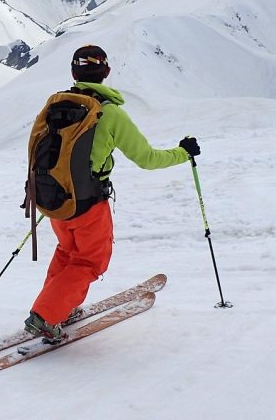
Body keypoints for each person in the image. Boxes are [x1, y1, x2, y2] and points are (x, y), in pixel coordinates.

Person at [24, 45, 200, 341]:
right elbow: (147, 159)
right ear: (106, 72)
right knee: (89, 261)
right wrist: (183, 153)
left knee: (68, 252)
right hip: (89, 204)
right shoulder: (109, 113)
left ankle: (59, 308)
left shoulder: (55, 105)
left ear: (73, 73)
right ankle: (46, 316)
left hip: (55, 200)